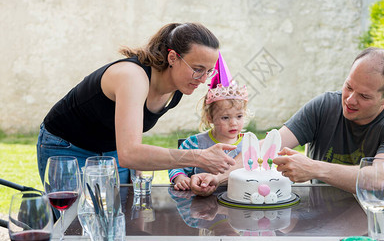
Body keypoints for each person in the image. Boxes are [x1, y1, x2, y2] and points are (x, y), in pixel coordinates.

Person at [190, 47, 384, 241]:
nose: (350, 100)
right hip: (318, 220)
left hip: (379, 224)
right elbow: (268, 146)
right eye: (348, 86)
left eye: (364, 96)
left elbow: (378, 179)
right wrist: (219, 176)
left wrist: (313, 169)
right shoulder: (324, 106)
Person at [37, 22, 236, 185]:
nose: (203, 80)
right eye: (197, 69)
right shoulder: (131, 77)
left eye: (209, 71)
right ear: (173, 57)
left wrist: (139, 166)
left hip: (111, 150)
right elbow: (130, 153)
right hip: (67, 148)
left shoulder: (178, 86)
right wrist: (198, 157)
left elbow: (130, 134)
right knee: (76, 225)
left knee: (120, 219)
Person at [168, 53, 248, 190]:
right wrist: (180, 178)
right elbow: (176, 165)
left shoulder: (249, 144)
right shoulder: (195, 143)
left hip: (239, 203)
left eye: (239, 116)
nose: (234, 123)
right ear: (210, 117)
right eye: (225, 117)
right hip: (202, 202)